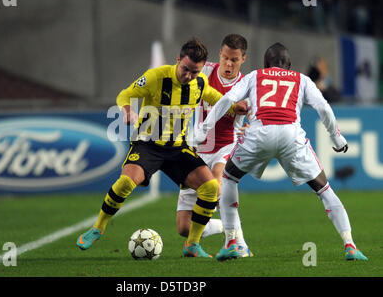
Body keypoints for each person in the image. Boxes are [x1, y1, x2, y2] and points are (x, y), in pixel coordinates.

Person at [195, 42, 368, 261]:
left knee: (229, 178)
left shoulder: (255, 76)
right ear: (289, 64)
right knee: (324, 189)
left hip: (259, 133)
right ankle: (350, 245)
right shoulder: (301, 79)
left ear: (266, 64)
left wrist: (204, 129)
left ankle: (232, 242)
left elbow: (228, 98)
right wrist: (336, 136)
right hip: (291, 136)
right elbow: (323, 106)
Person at [76, 38, 247, 258]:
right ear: (178, 60)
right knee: (126, 182)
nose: (188, 76)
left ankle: (192, 244)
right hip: (148, 145)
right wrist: (127, 110)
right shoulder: (156, 77)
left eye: (194, 72)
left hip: (177, 149)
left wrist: (235, 106)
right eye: (185, 69)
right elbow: (125, 94)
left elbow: (217, 98)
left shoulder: (201, 82)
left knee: (210, 188)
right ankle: (97, 228)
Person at [176, 34, 253, 257]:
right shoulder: (204, 71)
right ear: (220, 53)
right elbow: (180, 73)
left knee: (219, 184)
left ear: (243, 59)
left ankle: (237, 244)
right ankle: (227, 228)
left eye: (235, 60)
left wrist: (249, 124)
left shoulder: (247, 85)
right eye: (226, 58)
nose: (229, 64)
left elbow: (254, 115)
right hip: (198, 147)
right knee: (183, 227)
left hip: (226, 146)